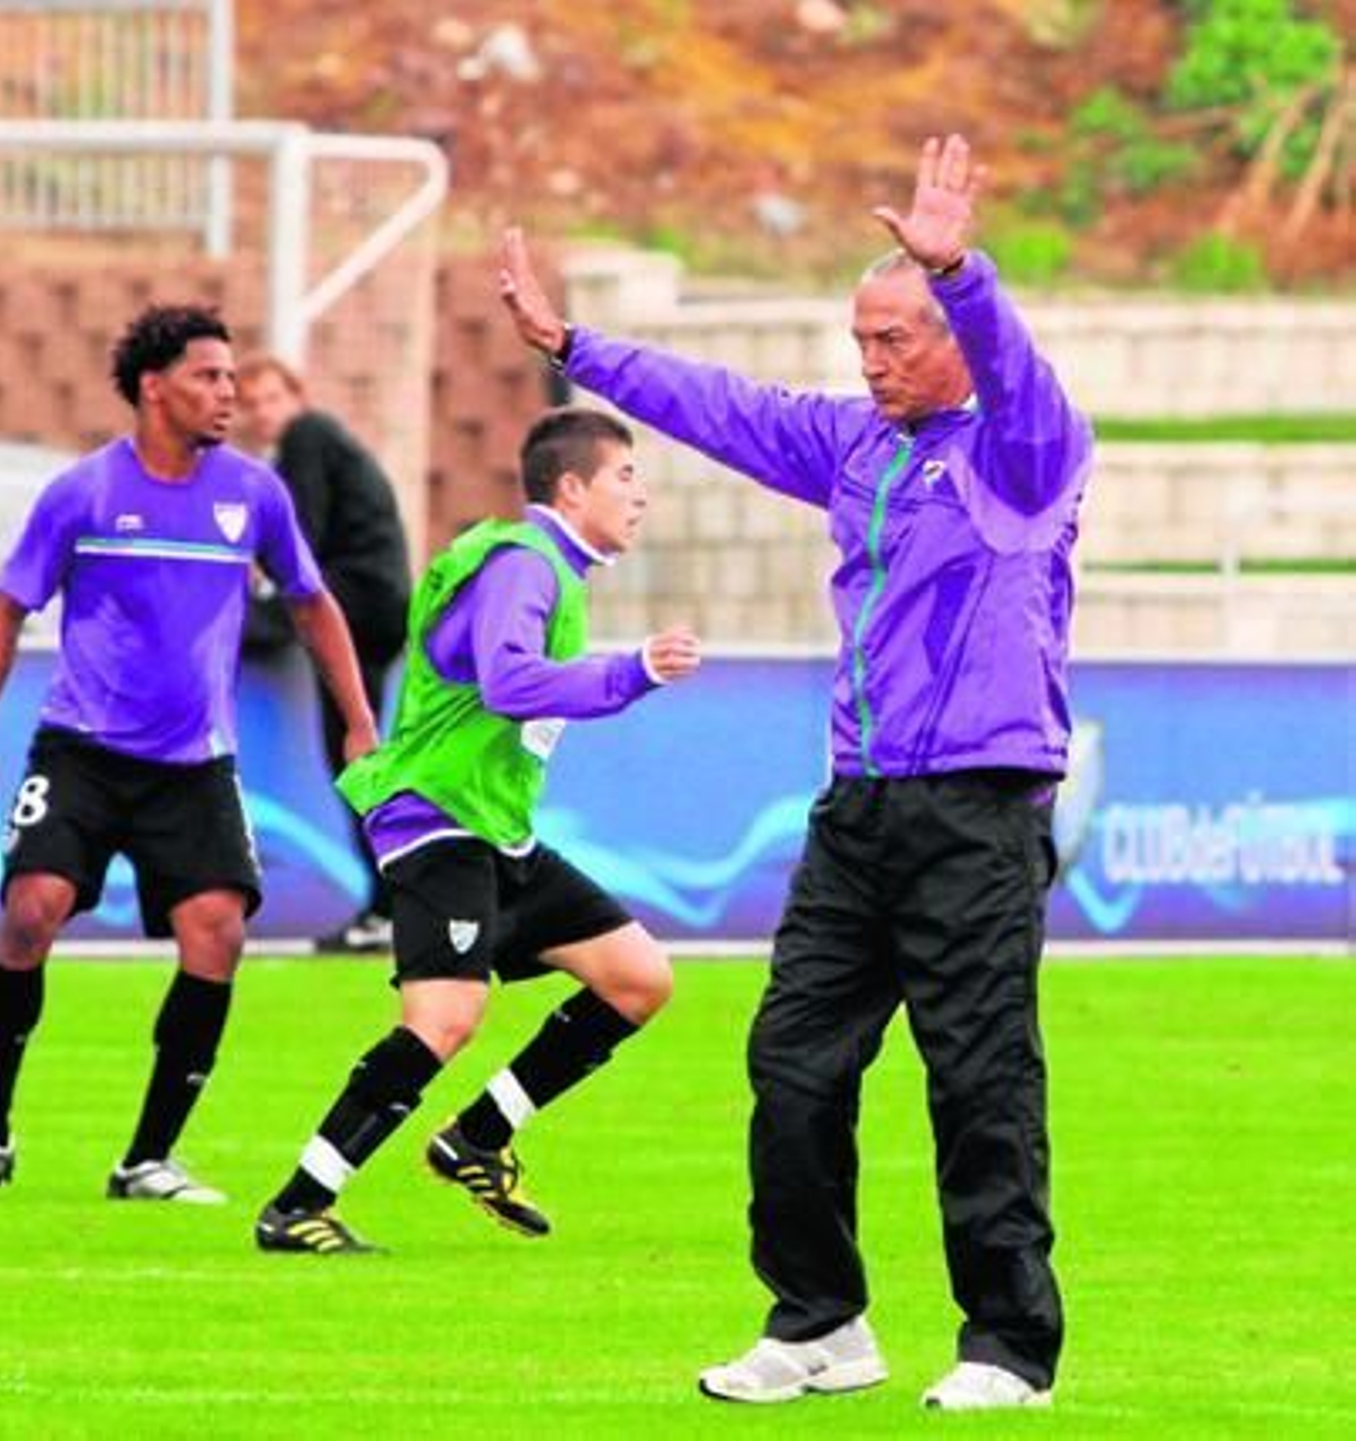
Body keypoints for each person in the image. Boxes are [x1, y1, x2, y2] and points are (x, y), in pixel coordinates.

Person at [499, 134, 1090, 1411]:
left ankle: (1006, 1348)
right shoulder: (853, 449)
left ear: (952, 338)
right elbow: (721, 405)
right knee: (791, 1063)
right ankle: (821, 1323)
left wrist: (966, 275)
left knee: (978, 1077)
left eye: (893, 338)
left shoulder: (1021, 456)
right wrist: (577, 350)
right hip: (859, 807)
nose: (867, 362)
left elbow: (1019, 373)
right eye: (858, 339)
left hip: (981, 808)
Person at [0, 304, 377, 1205]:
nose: (230, 395)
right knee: (32, 910)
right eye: (210, 377)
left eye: (234, 379)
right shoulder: (82, 493)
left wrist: (358, 718)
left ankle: (147, 1159)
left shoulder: (254, 494)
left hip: (194, 764)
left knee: (219, 933)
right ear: (154, 387)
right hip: (81, 750)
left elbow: (315, 602)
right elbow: (5, 609)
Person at [253, 406, 702, 1255]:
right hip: (439, 818)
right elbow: (508, 680)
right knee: (447, 1013)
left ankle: (478, 1138)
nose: (641, 495)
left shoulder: (545, 569)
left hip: (496, 828)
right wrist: (631, 671)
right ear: (572, 488)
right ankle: (296, 1203)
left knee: (637, 977)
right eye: (626, 477)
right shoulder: (526, 565)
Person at [235, 356, 412, 955]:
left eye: (270, 398)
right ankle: (393, 900)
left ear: (297, 396)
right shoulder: (309, 446)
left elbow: (298, 538)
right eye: (251, 403)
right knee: (358, 763)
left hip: (356, 607)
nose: (263, 413)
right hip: (370, 604)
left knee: (356, 764)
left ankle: (394, 903)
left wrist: (252, 597)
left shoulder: (308, 436)